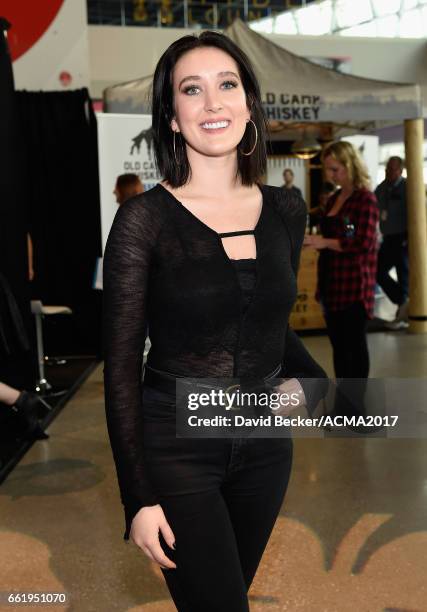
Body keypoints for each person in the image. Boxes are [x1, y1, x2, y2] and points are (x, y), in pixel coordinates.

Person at [103, 31, 327, 612]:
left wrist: (311, 381)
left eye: (227, 85)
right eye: (191, 90)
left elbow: (266, 323)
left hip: (266, 450)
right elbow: (122, 365)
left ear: (248, 105)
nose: (212, 103)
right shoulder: (142, 221)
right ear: (172, 117)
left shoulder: (285, 209)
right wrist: (138, 498)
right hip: (176, 447)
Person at [304, 141, 379, 390]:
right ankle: (345, 404)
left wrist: (324, 242)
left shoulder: (365, 199)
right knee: (339, 348)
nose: (330, 175)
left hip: (354, 286)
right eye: (327, 169)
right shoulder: (335, 198)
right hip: (331, 284)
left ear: (350, 165)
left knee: (354, 350)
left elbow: (364, 243)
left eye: (335, 169)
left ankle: (356, 408)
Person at [375, 156, 409, 329]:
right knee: (378, 271)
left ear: (401, 171)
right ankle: (402, 302)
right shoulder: (381, 188)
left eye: (393, 169)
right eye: (387, 168)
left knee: (404, 274)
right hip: (388, 238)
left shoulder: (408, 187)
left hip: (405, 238)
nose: (389, 172)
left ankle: (404, 311)